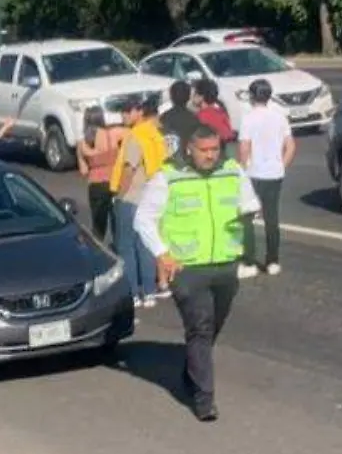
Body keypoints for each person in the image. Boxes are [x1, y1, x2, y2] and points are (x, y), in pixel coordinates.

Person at [134, 125, 261, 422]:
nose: (210, 155)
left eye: (215, 149)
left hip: (225, 264)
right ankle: (205, 400)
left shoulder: (232, 171)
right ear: (190, 149)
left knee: (212, 327)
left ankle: (192, 373)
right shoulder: (169, 177)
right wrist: (162, 254)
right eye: (204, 150)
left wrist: (252, 214)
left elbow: (249, 202)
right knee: (200, 328)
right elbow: (144, 220)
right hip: (187, 267)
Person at [110, 94, 168, 308]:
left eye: (127, 110)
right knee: (145, 244)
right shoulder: (155, 134)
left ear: (139, 112)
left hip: (132, 196)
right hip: (152, 194)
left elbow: (128, 168)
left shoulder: (135, 136)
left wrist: (119, 195)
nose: (123, 115)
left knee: (126, 245)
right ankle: (150, 292)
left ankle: (134, 292)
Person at [237, 79, 295, 278]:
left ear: (253, 96)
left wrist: (243, 169)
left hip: (254, 173)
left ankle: (249, 262)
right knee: (272, 218)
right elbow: (291, 146)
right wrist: (281, 165)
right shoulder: (279, 117)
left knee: (247, 217)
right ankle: (272, 261)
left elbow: (245, 147)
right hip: (274, 173)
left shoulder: (248, 118)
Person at [77, 105, 124, 241]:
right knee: (117, 222)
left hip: (96, 186)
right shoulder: (114, 134)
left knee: (98, 226)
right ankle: (119, 250)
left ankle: (98, 252)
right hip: (115, 182)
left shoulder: (82, 144)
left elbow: (84, 171)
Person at [159, 80, 203, 158]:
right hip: (188, 159)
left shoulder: (164, 118)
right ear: (189, 97)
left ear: (171, 96)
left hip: (170, 158)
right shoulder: (194, 118)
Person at [192, 79, 235, 147]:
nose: (192, 97)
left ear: (201, 97)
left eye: (195, 94)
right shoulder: (221, 112)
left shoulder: (200, 117)